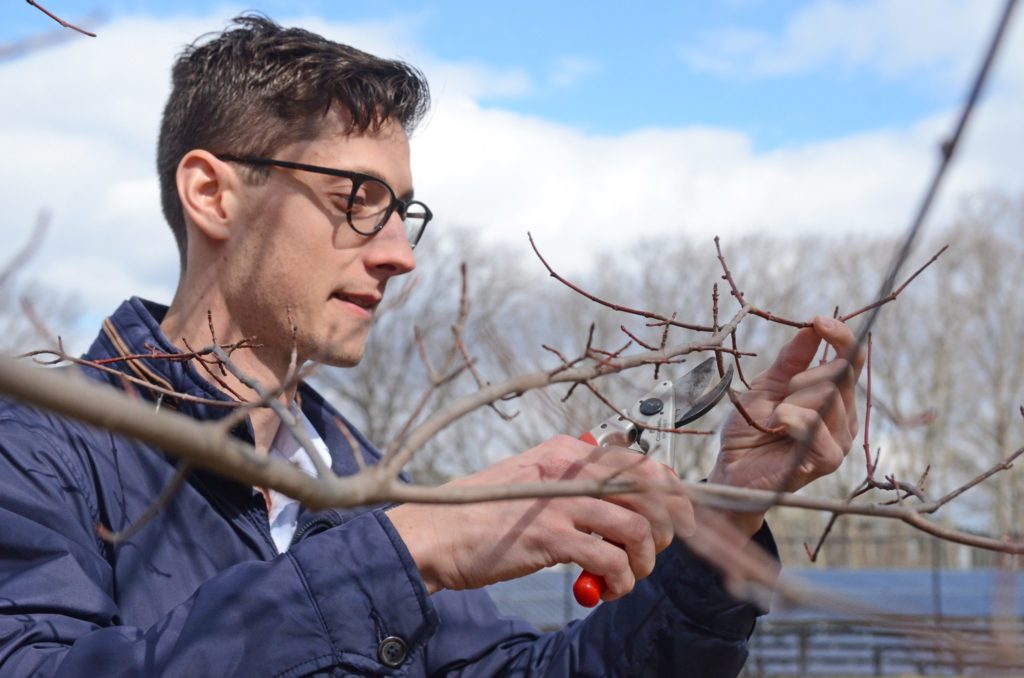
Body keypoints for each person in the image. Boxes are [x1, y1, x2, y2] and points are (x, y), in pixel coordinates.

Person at [0, 15, 862, 677]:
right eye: (357, 198)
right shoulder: (38, 453)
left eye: (402, 211)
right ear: (213, 194)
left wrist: (731, 513)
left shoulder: (356, 481)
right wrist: (407, 551)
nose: (400, 254)